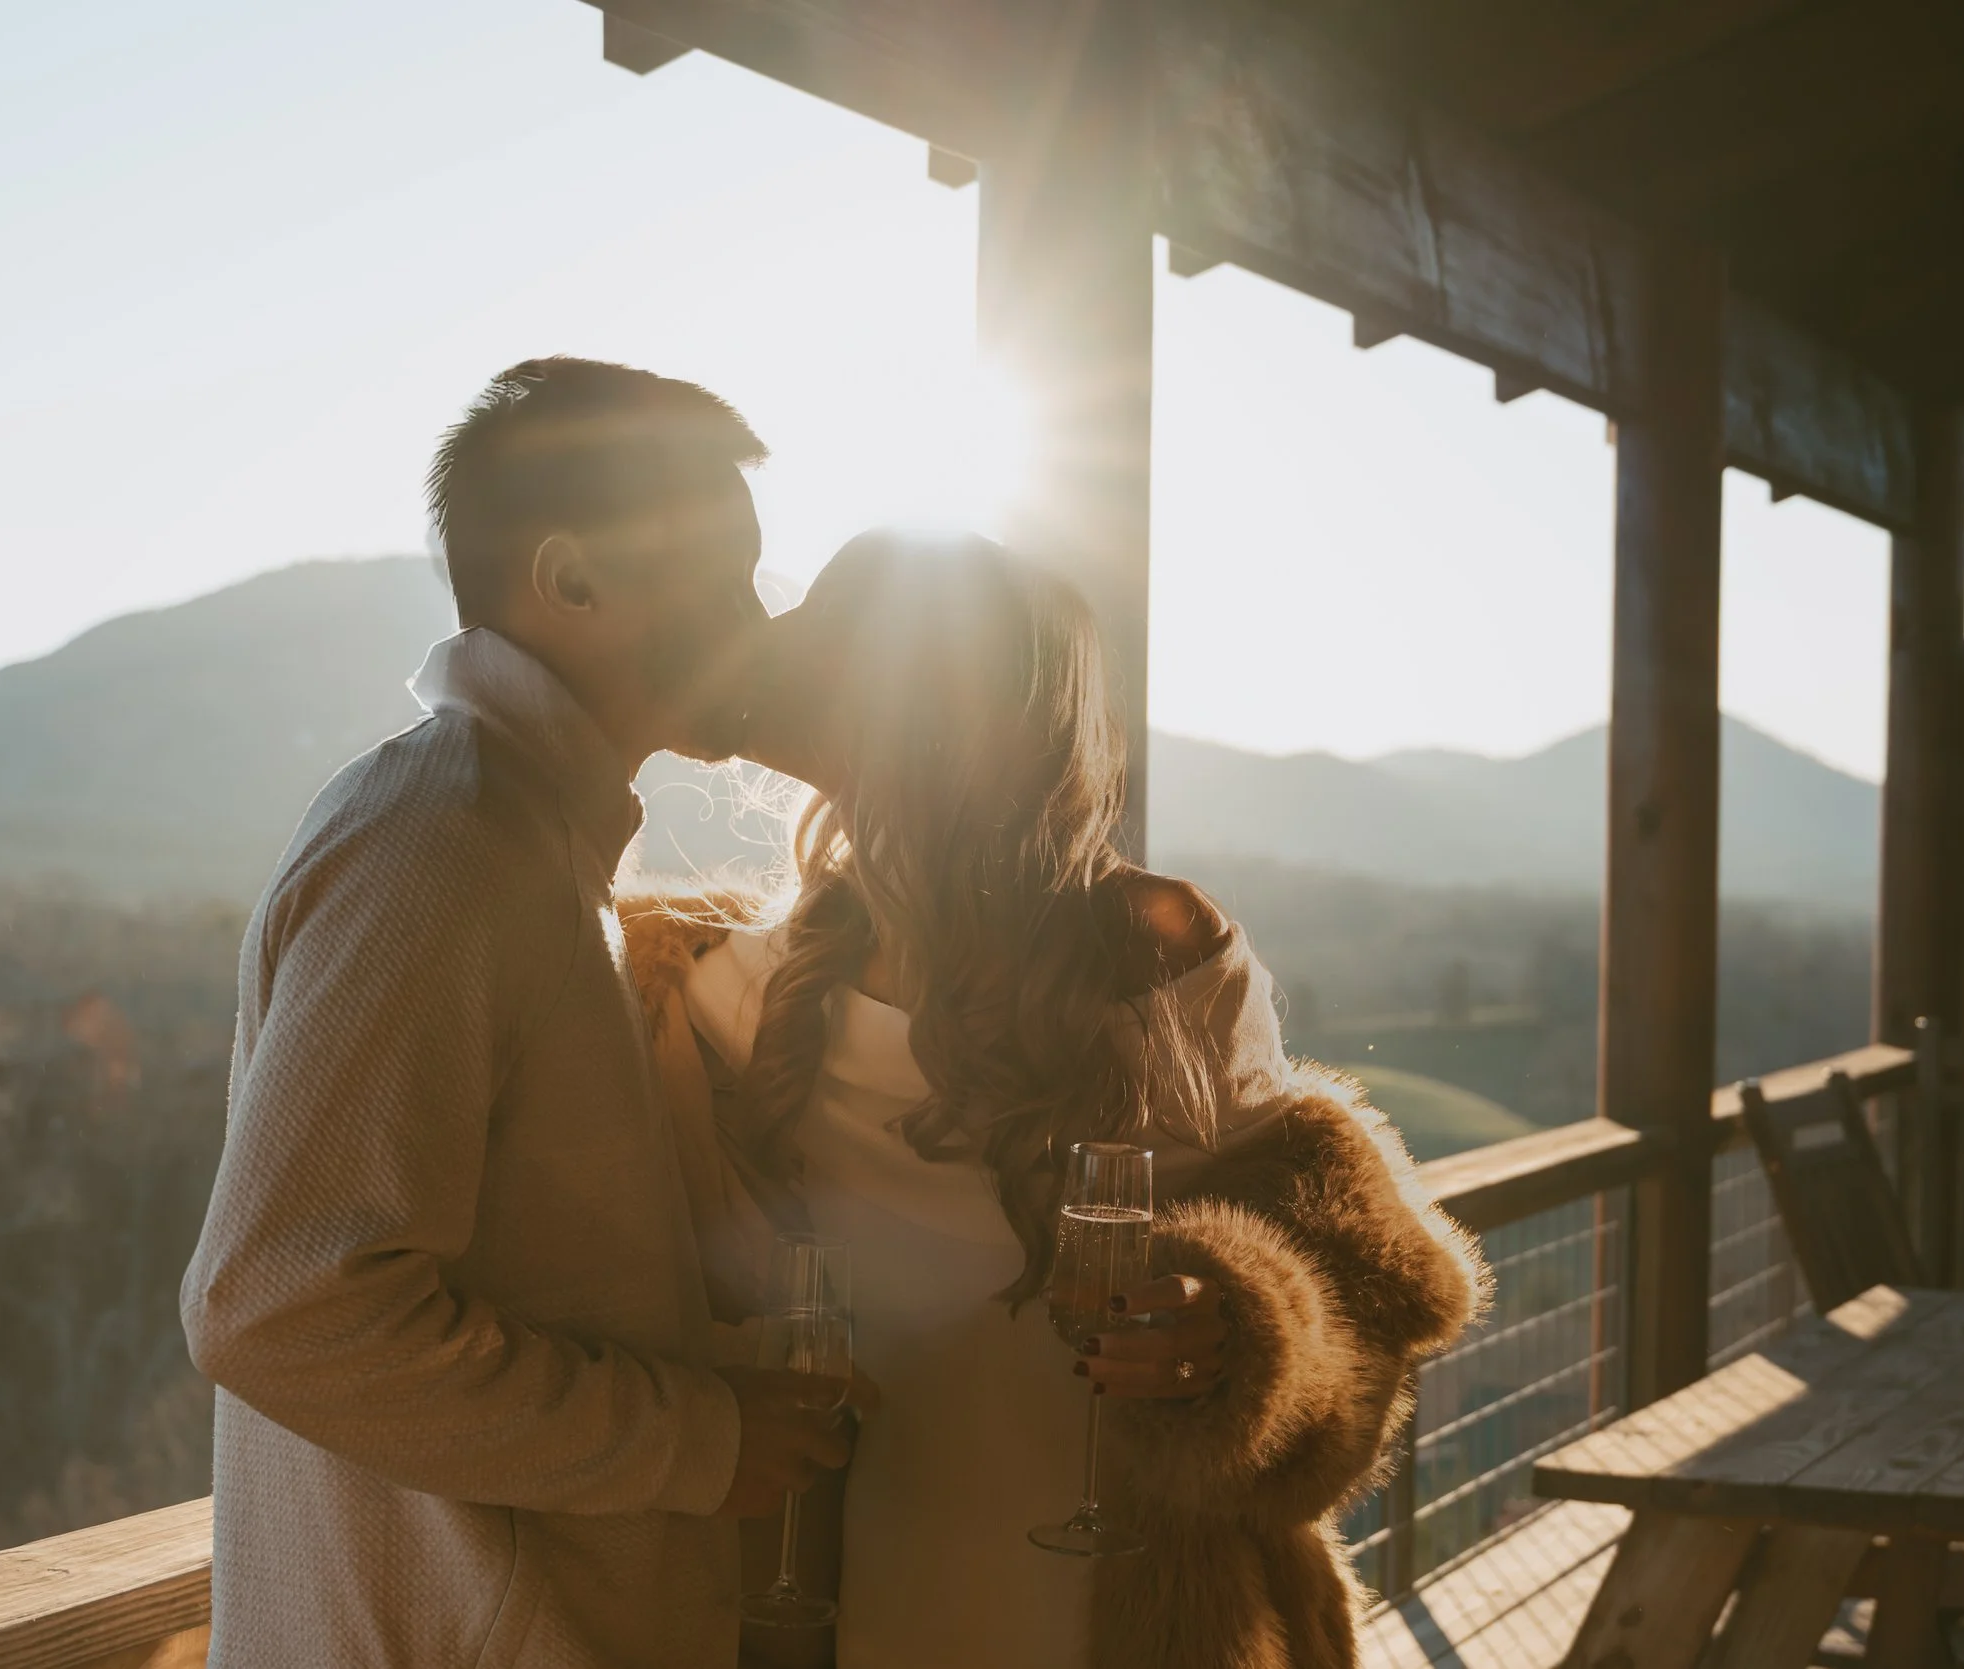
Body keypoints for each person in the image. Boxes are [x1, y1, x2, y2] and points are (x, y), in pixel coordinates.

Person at [621, 529, 1489, 1669]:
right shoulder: (721, 991)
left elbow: (1360, 1283)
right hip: (843, 1579)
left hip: (1131, 1601)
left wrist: (1236, 1337)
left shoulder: (1165, 950)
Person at [180, 357, 856, 1669]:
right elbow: (278, 1308)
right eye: (722, 577)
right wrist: (698, 1441)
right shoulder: (442, 846)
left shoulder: (532, 847)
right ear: (572, 580)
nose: (755, 620)